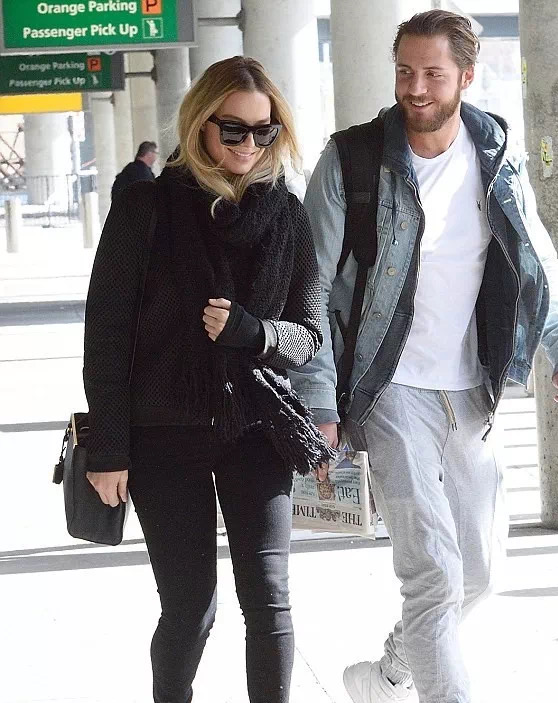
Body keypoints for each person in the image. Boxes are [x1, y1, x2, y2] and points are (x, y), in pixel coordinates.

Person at [288, 10, 558, 703]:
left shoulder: (497, 158)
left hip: (472, 390)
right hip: (388, 388)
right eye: (405, 71)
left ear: (466, 76)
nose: (416, 88)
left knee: (478, 574)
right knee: (432, 574)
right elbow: (309, 291)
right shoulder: (351, 160)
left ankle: (388, 675)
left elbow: (537, 265)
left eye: (432, 73)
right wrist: (321, 401)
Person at [83, 56, 333, 703]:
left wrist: (257, 332)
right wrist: (108, 448)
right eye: (234, 129)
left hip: (256, 426)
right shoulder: (145, 207)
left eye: (264, 131)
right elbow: (106, 334)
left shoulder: (287, 215)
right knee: (191, 605)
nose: (249, 145)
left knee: (269, 598)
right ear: (200, 125)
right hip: (163, 431)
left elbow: (309, 334)